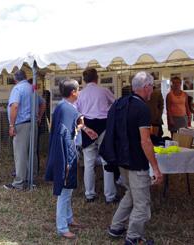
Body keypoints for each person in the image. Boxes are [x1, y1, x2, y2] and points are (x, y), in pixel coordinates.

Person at [107, 71, 163, 245]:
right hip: (136, 162)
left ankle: (116, 227)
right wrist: (155, 168)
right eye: (151, 88)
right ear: (146, 87)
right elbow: (145, 141)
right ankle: (133, 237)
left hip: (121, 159)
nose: (152, 91)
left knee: (131, 194)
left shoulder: (119, 103)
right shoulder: (142, 108)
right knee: (142, 203)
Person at [45, 79, 87, 239]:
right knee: (64, 191)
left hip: (64, 151)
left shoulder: (63, 107)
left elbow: (68, 130)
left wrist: (78, 126)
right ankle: (62, 227)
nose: (79, 92)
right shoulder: (67, 109)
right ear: (73, 92)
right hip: (65, 153)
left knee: (68, 190)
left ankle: (69, 219)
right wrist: (69, 158)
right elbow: (65, 136)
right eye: (78, 89)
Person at [75, 68, 118, 203]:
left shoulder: (80, 94)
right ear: (97, 78)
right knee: (107, 161)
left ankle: (89, 194)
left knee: (88, 162)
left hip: (87, 126)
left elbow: (77, 113)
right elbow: (115, 104)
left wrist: (85, 127)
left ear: (84, 79)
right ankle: (110, 196)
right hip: (103, 125)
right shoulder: (104, 91)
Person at [3, 70, 45, 190]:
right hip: (33, 124)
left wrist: (11, 125)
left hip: (21, 124)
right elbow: (43, 103)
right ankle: (31, 180)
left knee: (20, 153)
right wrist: (39, 117)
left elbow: (15, 106)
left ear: (15, 79)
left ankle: (19, 183)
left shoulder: (18, 89)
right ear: (25, 77)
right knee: (32, 152)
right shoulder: (32, 89)